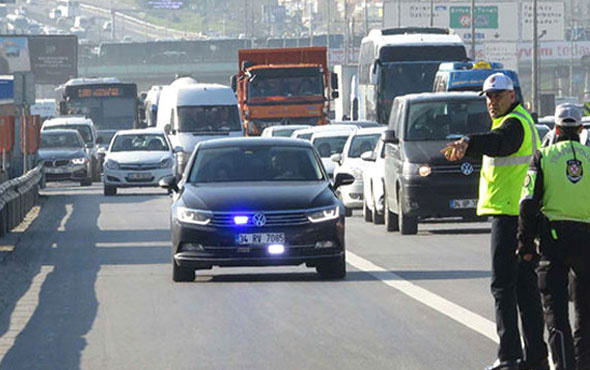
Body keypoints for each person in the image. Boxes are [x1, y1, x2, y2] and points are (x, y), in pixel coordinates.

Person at [441, 73, 549, 370]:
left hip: (509, 215)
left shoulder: (514, 124)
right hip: (522, 215)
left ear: (511, 95)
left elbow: (501, 144)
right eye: (488, 97)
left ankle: (510, 356)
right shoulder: (517, 121)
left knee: (503, 287)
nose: (491, 102)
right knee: (525, 288)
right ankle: (536, 356)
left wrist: (468, 142)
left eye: (497, 95)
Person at [517, 104, 590, 370]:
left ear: (556, 129)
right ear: (580, 130)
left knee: (556, 312)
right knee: (586, 312)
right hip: (587, 241)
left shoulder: (543, 157)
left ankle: (564, 365)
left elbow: (527, 204)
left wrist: (525, 243)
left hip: (554, 241)